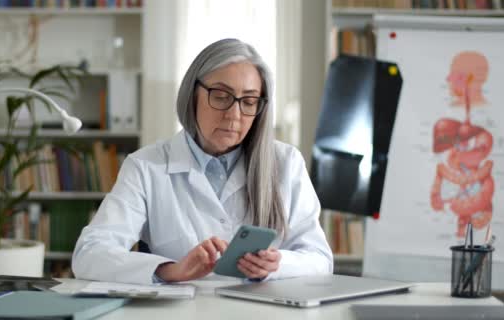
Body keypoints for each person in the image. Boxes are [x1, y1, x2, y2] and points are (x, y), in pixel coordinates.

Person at [72, 38, 333, 284]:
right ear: (192, 94)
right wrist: (170, 270)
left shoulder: (286, 163)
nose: (234, 115)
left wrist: (278, 265)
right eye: (220, 96)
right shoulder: (146, 166)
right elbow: (89, 255)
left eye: (249, 101)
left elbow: (320, 259)